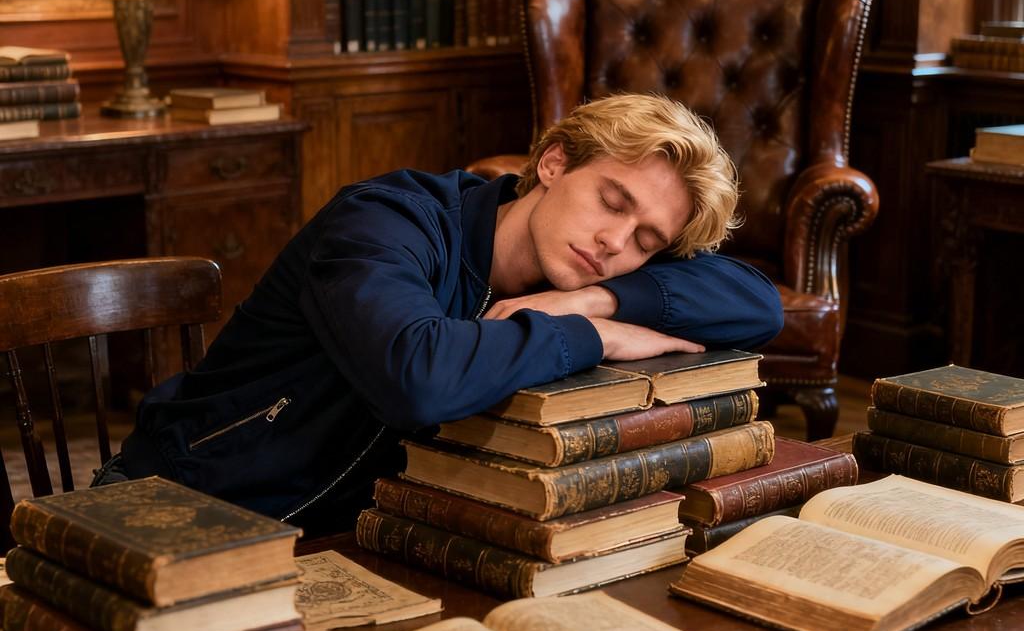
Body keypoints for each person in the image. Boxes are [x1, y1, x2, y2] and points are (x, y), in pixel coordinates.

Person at [113, 93, 783, 533]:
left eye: (647, 241)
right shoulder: (386, 220)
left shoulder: (598, 268)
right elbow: (420, 379)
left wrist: (594, 296)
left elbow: (758, 305)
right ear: (554, 162)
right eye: (612, 200)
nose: (616, 242)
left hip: (356, 531)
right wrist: (586, 332)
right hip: (188, 508)